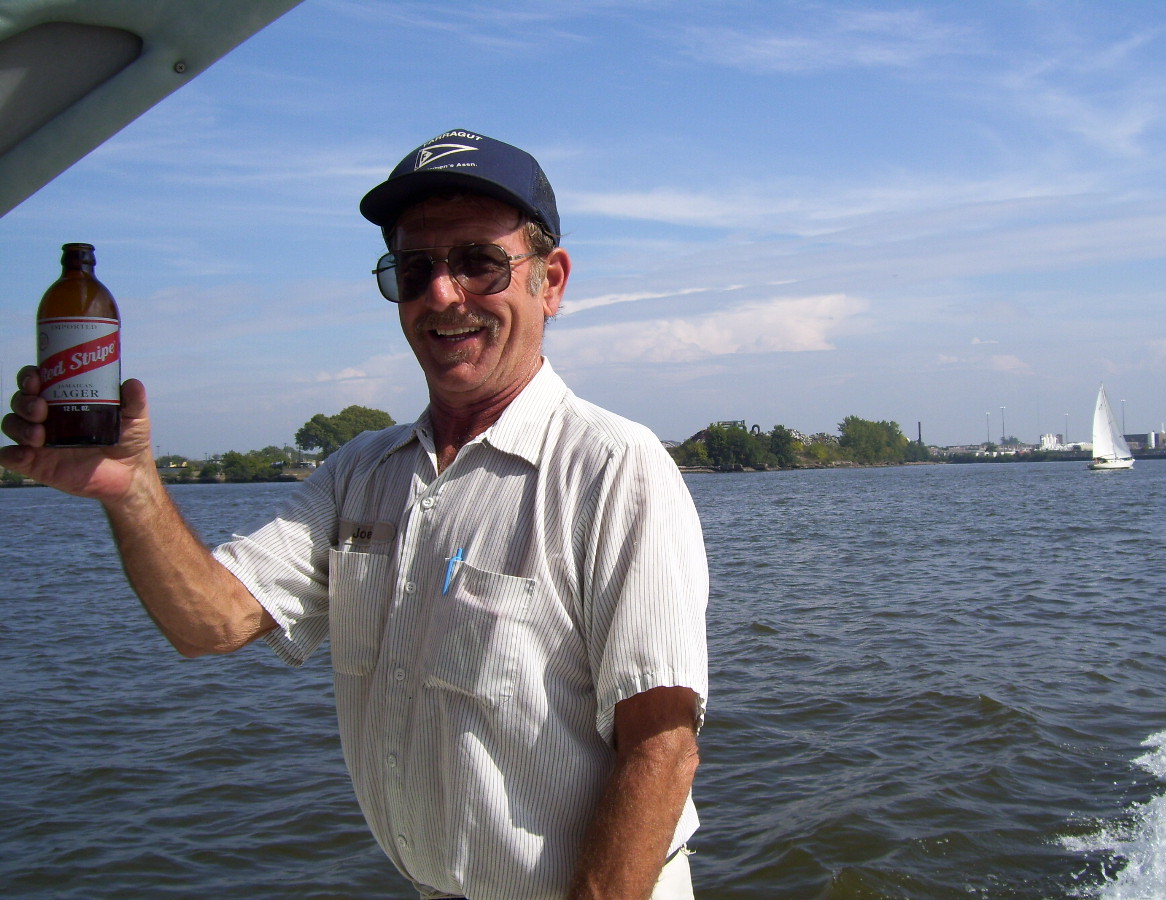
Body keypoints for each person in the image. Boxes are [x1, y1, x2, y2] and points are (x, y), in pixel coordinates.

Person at [1, 129, 709, 900]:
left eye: (479, 262)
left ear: (552, 281)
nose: (442, 295)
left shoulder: (614, 468)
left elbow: (661, 749)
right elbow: (211, 623)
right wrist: (131, 487)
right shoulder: (358, 473)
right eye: (414, 269)